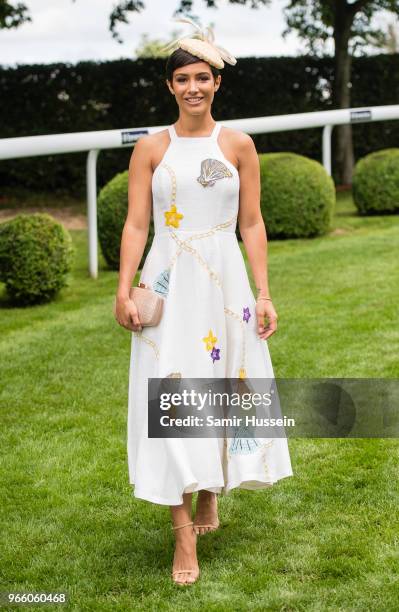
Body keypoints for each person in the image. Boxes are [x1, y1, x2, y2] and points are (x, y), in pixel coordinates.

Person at [114, 18, 293, 586]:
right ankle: (183, 531)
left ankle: (211, 487)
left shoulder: (238, 145)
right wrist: (124, 289)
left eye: (203, 77)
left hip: (225, 283)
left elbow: (254, 222)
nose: (193, 87)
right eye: (182, 79)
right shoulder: (151, 147)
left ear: (218, 83)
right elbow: (137, 223)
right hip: (167, 281)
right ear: (170, 87)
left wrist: (263, 293)